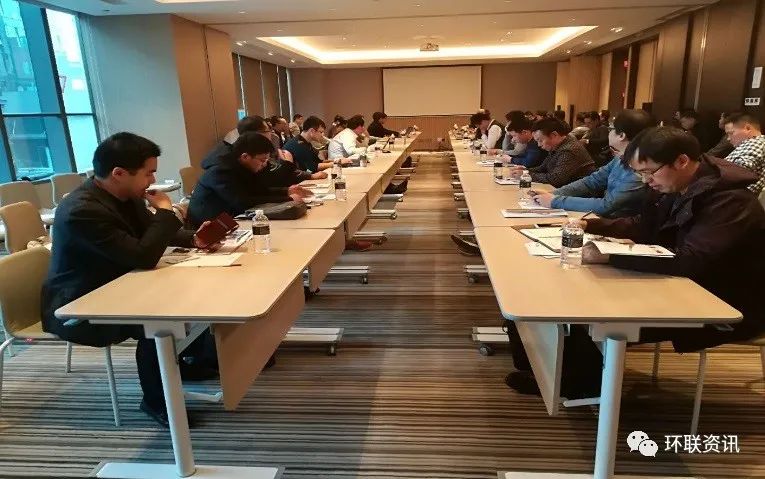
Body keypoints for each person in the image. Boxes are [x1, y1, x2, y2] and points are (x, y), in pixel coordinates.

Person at [506, 126, 765, 398]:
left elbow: (692, 260)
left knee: (586, 307)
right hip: (681, 283)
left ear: (681, 161)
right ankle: (547, 370)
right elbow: (643, 225)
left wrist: (610, 255)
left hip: (721, 301)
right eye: (640, 173)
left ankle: (579, 385)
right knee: (560, 290)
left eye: (649, 172)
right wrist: (590, 225)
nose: (646, 180)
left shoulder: (730, 200)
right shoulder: (679, 184)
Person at [42, 132, 217, 427]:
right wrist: (166, 211)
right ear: (119, 173)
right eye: (148, 173)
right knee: (159, 317)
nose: (152, 180)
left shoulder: (124, 196)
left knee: (190, 294)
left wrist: (193, 239)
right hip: (80, 303)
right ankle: (156, 401)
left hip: (119, 284)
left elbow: (151, 233)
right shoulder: (82, 210)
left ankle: (183, 363)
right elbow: (142, 255)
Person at [528, 109, 654, 218]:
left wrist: (555, 200)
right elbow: (592, 181)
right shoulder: (620, 158)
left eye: (612, 129)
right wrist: (553, 195)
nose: (609, 132)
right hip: (600, 217)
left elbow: (607, 205)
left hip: (615, 225)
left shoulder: (640, 170)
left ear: (621, 135)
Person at [188, 133, 311, 227]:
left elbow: (259, 190)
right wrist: (288, 198)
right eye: (262, 160)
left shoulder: (244, 166)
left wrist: (287, 191)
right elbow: (242, 202)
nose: (265, 164)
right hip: (207, 227)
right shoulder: (220, 171)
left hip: (234, 220)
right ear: (245, 156)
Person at [506, 118, 595, 187]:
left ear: (554, 135)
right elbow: (543, 167)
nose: (539, 145)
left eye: (540, 140)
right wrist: (525, 171)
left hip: (579, 194)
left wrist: (527, 175)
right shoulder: (558, 145)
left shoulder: (569, 150)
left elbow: (555, 179)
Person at [284, 116, 353, 173]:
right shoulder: (298, 145)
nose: (322, 135)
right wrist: (337, 163)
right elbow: (312, 167)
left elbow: (319, 162)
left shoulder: (305, 142)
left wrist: (337, 160)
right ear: (312, 131)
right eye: (321, 132)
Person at [722, 112, 765, 195]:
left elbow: (738, 171)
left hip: (734, 196)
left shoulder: (755, 143)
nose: (728, 139)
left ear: (748, 128)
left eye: (731, 133)